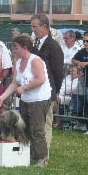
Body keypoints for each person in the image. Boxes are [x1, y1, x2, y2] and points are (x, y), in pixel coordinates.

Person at [0, 35, 51, 167]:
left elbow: (40, 79)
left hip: (39, 99)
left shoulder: (35, 60)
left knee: (36, 130)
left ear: (25, 48)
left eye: (16, 47)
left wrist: (24, 88)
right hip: (25, 100)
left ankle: (42, 159)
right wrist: (2, 97)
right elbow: (15, 83)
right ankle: (26, 155)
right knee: (23, 128)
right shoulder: (19, 62)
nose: (14, 50)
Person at [30, 14, 64, 152]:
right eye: (32, 27)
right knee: (36, 124)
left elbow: (58, 73)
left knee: (46, 123)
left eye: (35, 27)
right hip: (35, 91)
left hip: (48, 91)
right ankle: (35, 150)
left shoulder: (53, 46)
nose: (33, 30)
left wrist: (54, 93)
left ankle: (44, 153)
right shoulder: (37, 44)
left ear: (45, 26)